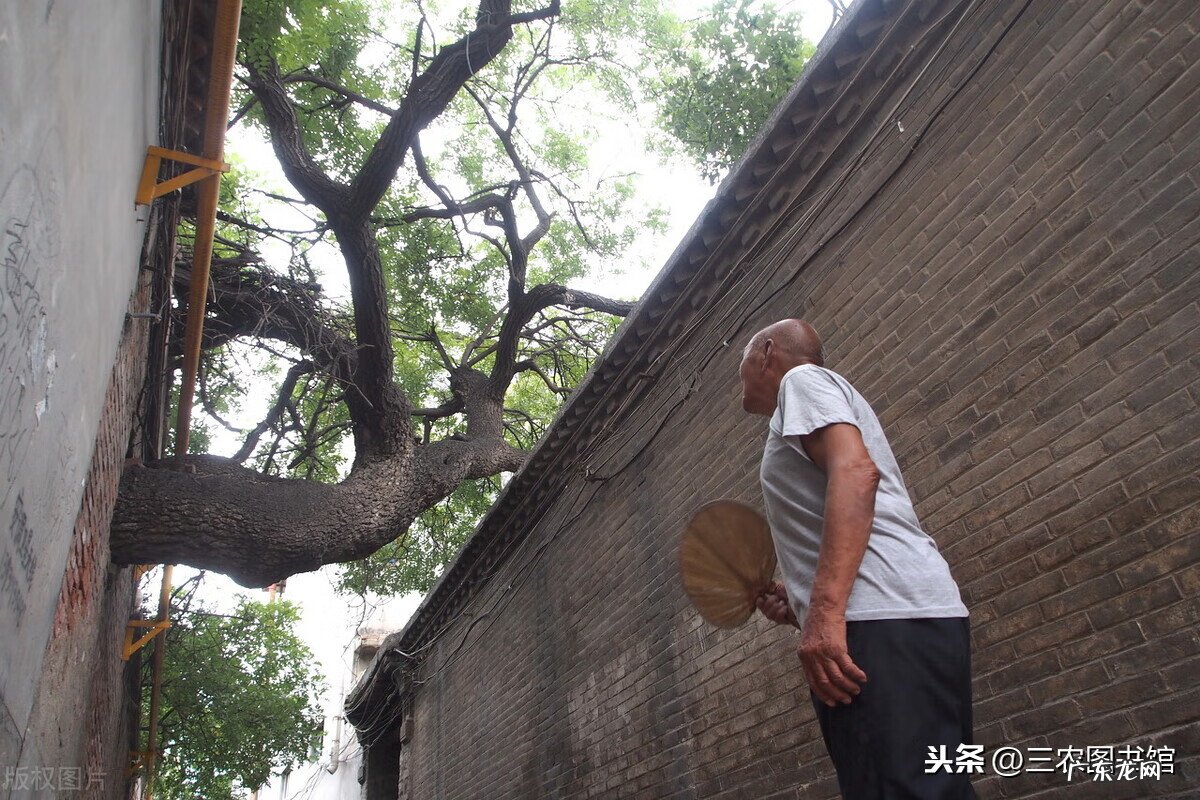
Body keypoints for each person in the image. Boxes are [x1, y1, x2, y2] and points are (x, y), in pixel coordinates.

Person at [740, 318, 977, 800]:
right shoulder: (811, 400)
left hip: (881, 623)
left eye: (741, 361)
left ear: (768, 353)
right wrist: (802, 602)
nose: (738, 376)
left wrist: (824, 614)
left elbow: (855, 471)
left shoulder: (800, 381)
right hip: (910, 618)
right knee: (933, 788)